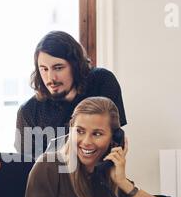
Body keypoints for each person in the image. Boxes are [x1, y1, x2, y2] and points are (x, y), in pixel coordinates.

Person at [23, 97, 175, 197]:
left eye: (97, 134)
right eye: (80, 131)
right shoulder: (49, 166)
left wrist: (123, 183)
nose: (86, 141)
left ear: (114, 139)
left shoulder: (109, 174)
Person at [15, 31, 127, 159]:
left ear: (75, 65)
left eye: (58, 67)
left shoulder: (102, 81)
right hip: (54, 177)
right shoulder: (29, 111)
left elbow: (116, 140)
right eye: (44, 69)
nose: (51, 78)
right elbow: (28, 168)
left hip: (102, 174)